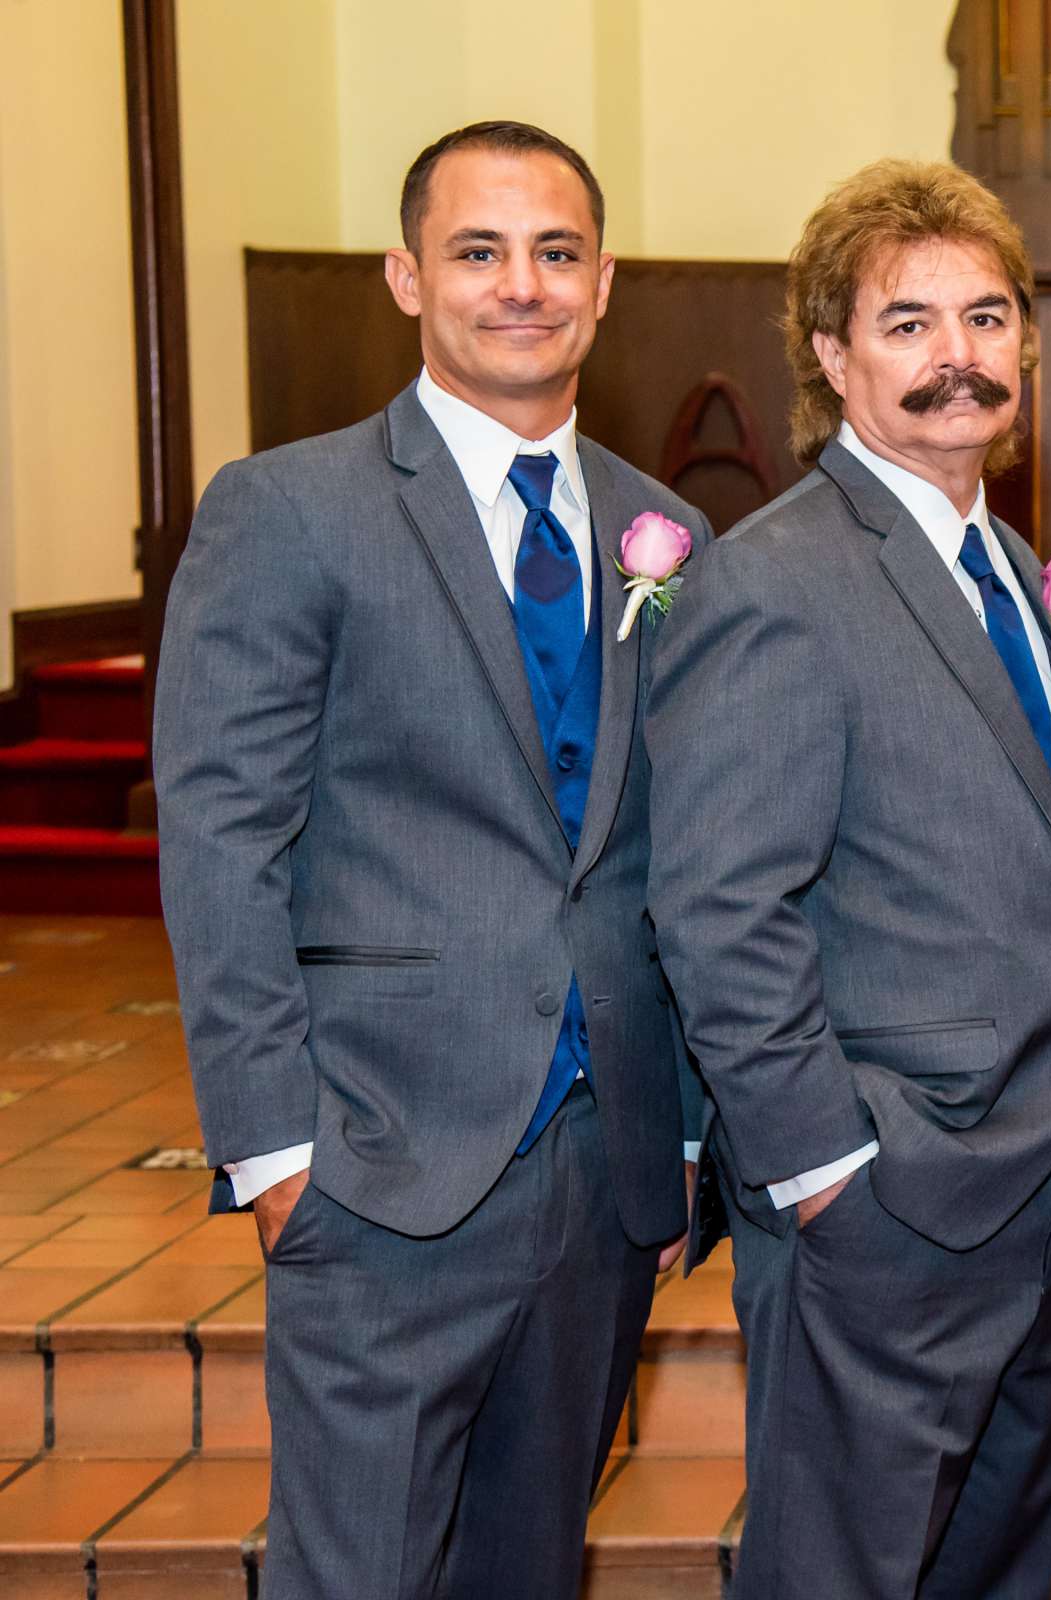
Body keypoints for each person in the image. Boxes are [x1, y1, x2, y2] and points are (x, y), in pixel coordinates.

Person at [155, 120, 707, 1598]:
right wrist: (276, 1150)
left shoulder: (671, 529)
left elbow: (679, 858)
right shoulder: (289, 511)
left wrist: (687, 1138)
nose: (520, 284)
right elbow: (221, 839)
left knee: (529, 1564)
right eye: (479, 251)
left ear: (604, 286)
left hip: (605, 1169)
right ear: (408, 278)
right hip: (379, 1160)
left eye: (556, 252)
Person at [644, 159, 1051, 1600]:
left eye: (985, 317)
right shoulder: (774, 583)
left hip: (1035, 1194)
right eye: (907, 324)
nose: (956, 357)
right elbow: (719, 909)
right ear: (833, 359)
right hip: (887, 1203)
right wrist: (827, 1170)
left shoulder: (1013, 571)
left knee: (989, 1572)